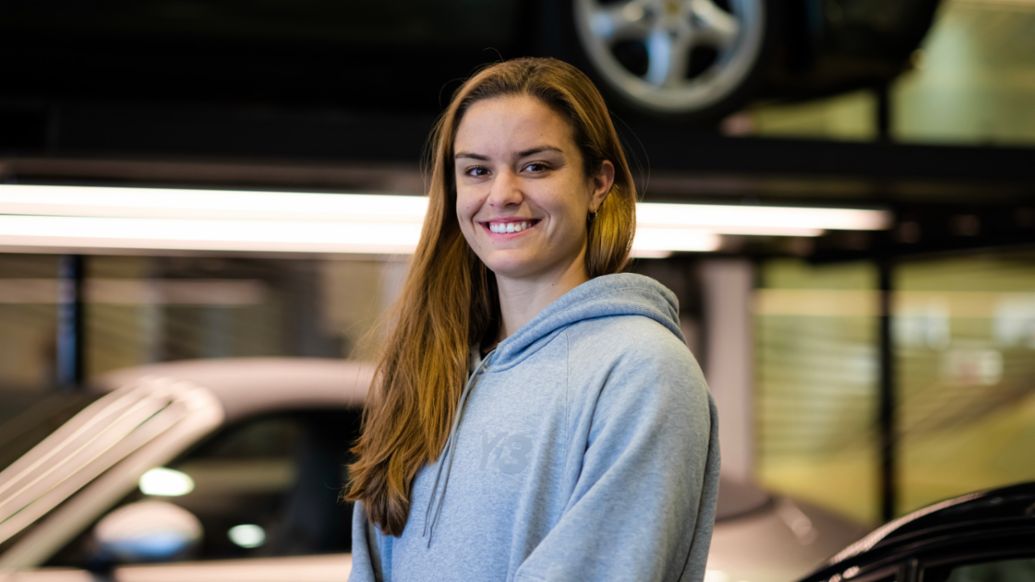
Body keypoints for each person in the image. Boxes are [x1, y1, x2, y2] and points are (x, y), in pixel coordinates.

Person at [344, 57, 719, 582]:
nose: (501, 194)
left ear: (597, 183)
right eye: (477, 170)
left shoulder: (642, 369)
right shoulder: (429, 370)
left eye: (536, 166)